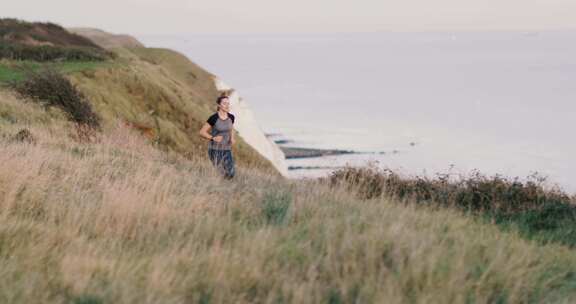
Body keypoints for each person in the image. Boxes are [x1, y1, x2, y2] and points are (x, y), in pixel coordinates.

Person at [198, 94, 236, 179]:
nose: (227, 105)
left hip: (227, 150)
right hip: (215, 150)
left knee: (231, 173)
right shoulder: (214, 118)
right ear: (219, 105)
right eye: (224, 103)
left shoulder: (231, 117)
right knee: (221, 173)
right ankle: (217, 188)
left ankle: (225, 188)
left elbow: (231, 128)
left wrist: (232, 137)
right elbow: (202, 132)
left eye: (228, 103)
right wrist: (213, 138)